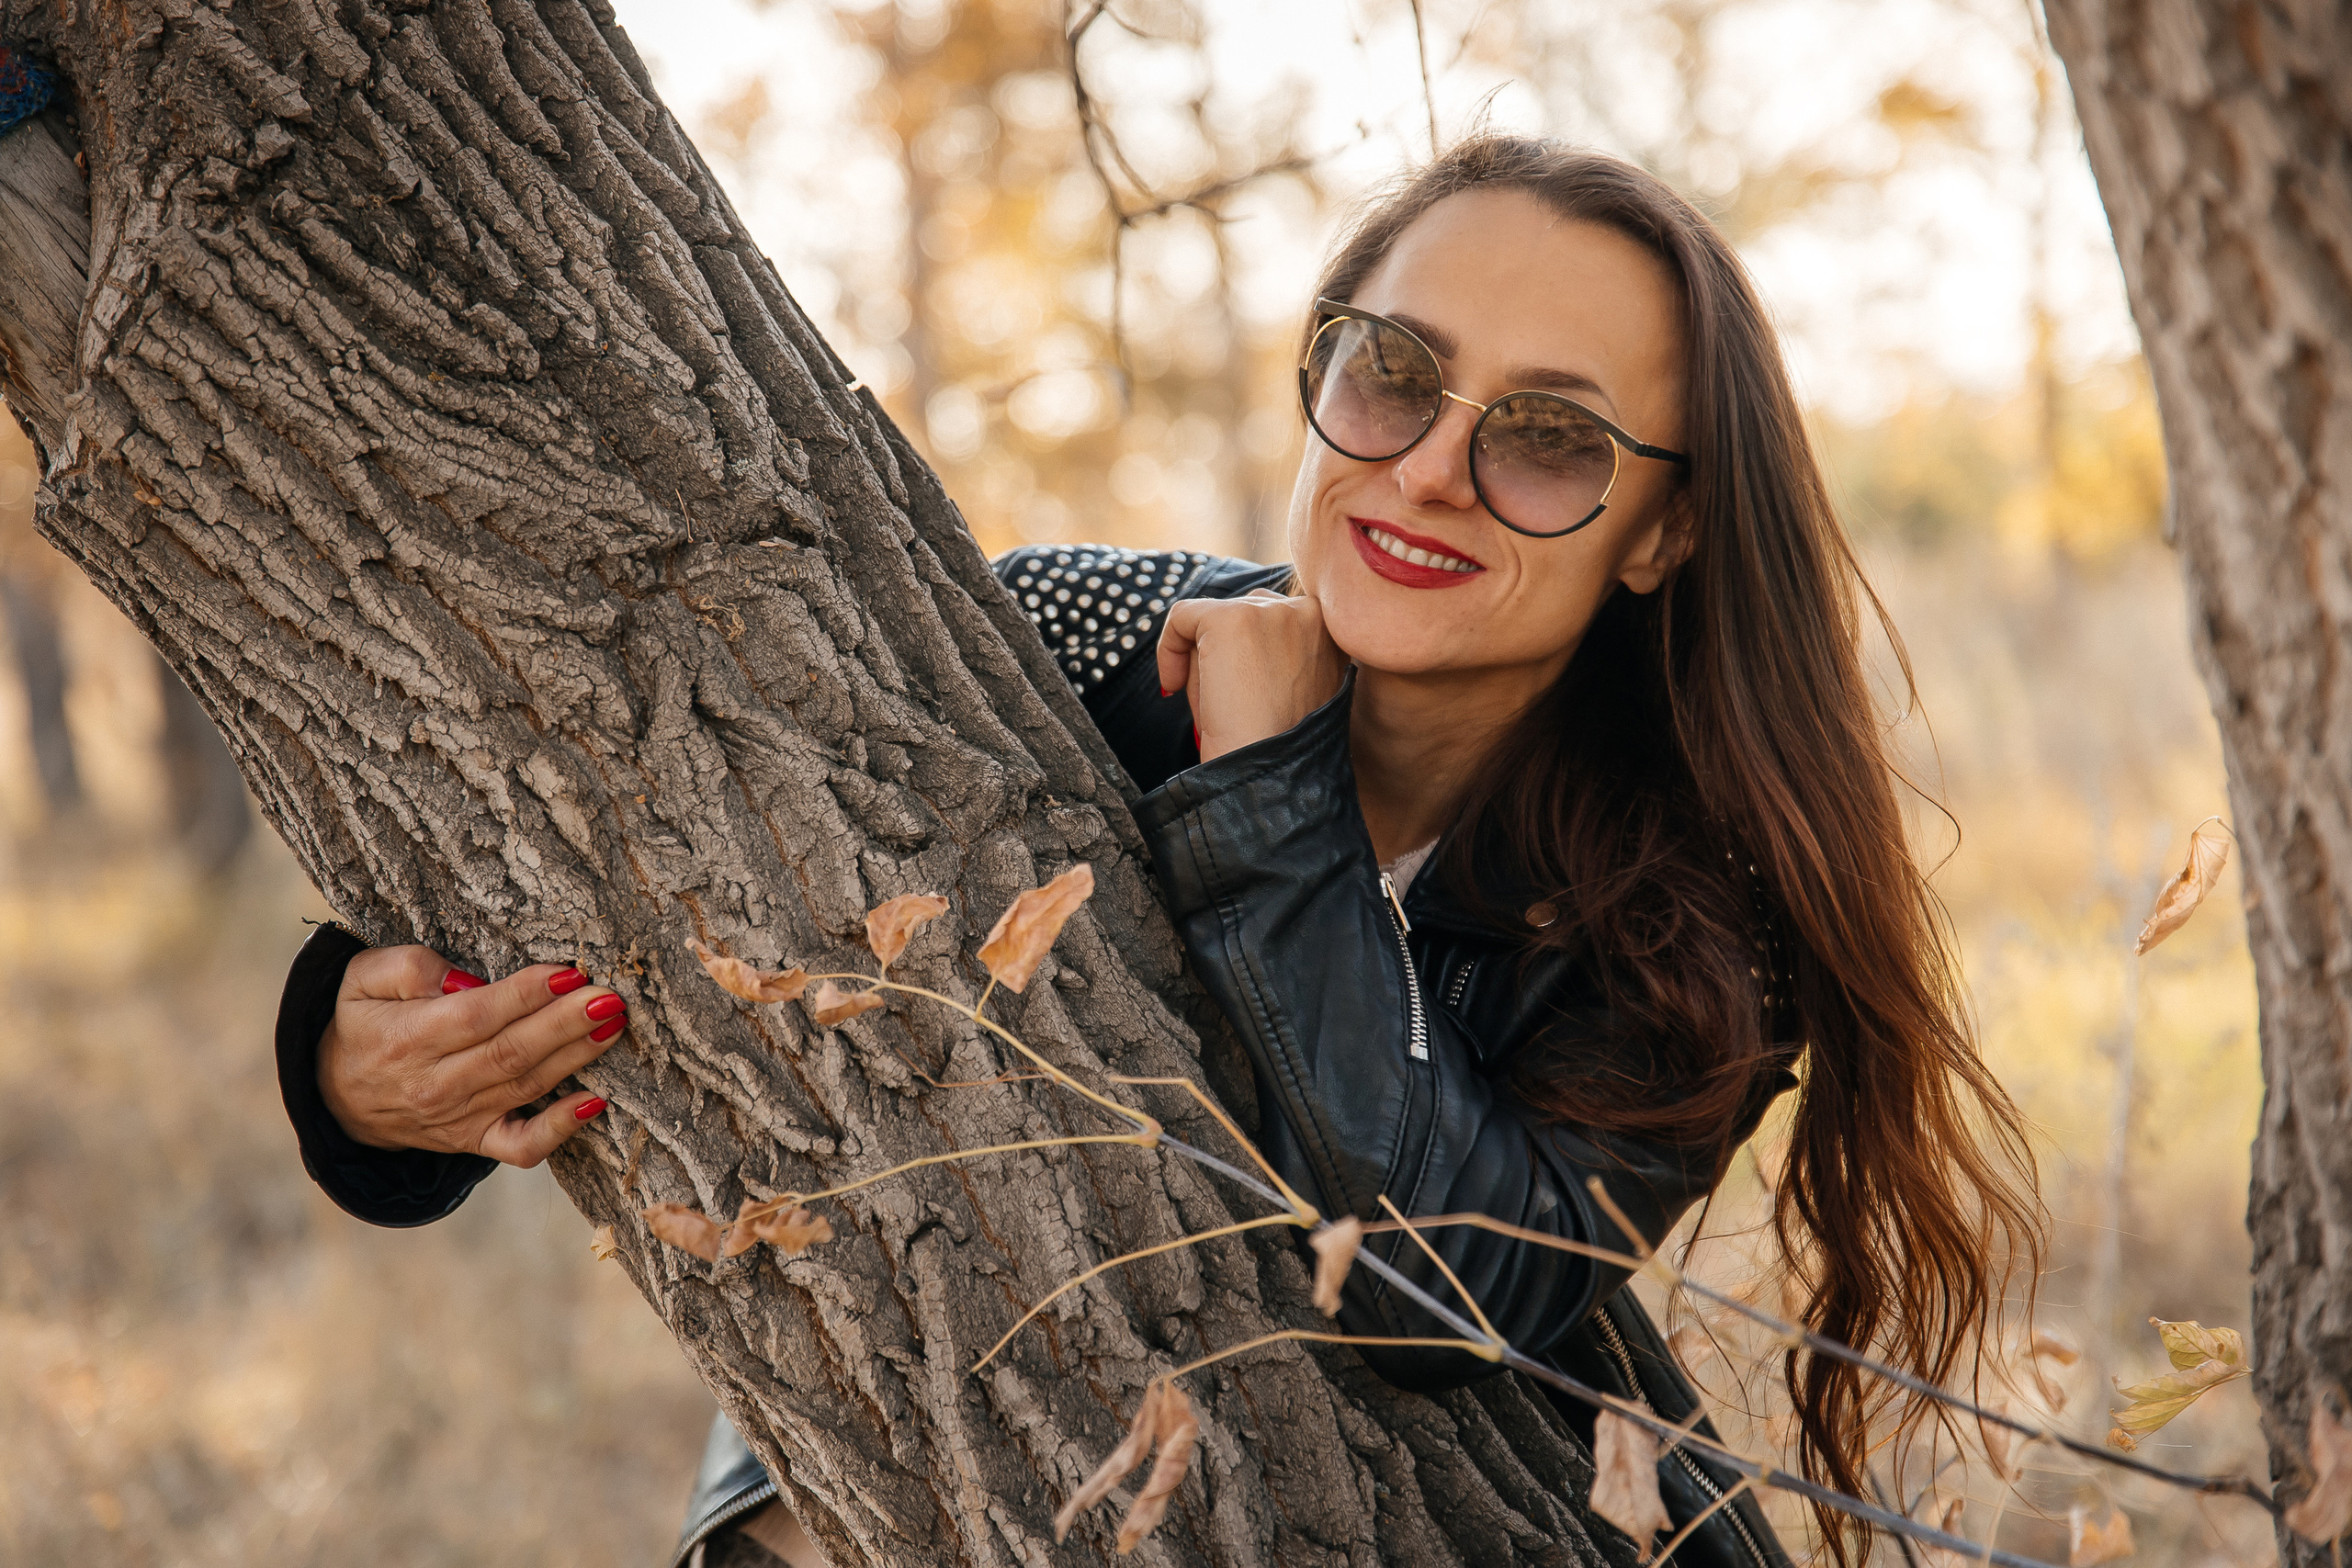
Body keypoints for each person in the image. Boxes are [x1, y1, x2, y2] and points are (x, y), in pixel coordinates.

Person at [275, 135, 2042, 1568]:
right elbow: (648, 917)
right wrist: (361, 1065)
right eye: (1397, 375)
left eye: (1551, 438)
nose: (1429, 470)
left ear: (1662, 533)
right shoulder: (1066, 646)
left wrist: (1273, 786)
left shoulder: (1699, 917)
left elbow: (1449, 1291)